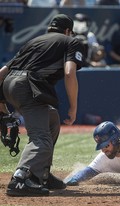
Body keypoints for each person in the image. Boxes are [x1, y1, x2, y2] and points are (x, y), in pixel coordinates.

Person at [0, 14, 84, 196]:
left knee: (51, 118)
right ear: (68, 30)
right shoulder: (71, 41)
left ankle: (41, 174)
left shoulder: (34, 41)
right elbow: (70, 73)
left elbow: (2, 73)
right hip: (27, 86)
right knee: (41, 139)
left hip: (9, 85)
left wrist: (3, 108)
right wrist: (73, 107)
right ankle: (20, 179)